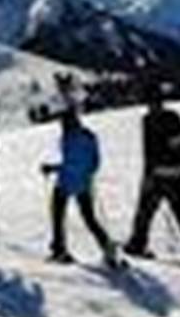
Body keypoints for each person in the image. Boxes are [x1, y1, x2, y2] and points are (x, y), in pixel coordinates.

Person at [123, 86, 180, 267]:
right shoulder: (173, 118)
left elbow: (149, 152)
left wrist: (147, 175)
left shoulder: (148, 120)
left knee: (145, 212)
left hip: (157, 174)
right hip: (174, 173)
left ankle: (137, 245)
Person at [41, 106, 122, 267]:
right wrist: (88, 173)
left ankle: (59, 249)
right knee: (89, 218)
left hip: (66, 182)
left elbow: (70, 163)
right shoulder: (89, 136)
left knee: (58, 215)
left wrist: (52, 168)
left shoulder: (69, 138)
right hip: (84, 182)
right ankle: (107, 246)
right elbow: (95, 162)